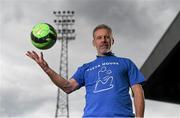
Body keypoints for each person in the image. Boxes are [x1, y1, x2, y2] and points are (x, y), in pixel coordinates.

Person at [26, 24, 145, 117]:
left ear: (112, 41)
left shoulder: (126, 63)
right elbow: (67, 87)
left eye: (106, 37)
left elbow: (138, 91)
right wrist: (46, 69)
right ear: (94, 42)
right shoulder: (86, 68)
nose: (103, 40)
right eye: (99, 37)